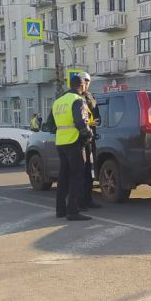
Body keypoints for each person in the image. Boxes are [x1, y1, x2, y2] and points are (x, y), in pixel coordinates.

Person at [52, 75, 92, 221]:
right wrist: (89, 134)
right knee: (76, 177)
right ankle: (73, 211)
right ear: (81, 86)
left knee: (63, 177)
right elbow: (80, 122)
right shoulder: (77, 100)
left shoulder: (58, 101)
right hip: (74, 142)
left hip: (60, 142)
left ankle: (60, 210)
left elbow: (51, 124)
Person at [78, 72, 102, 210]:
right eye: (84, 81)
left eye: (88, 81)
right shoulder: (76, 97)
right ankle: (79, 201)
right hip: (78, 139)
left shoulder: (90, 96)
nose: (86, 83)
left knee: (89, 171)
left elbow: (96, 115)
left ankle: (88, 199)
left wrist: (95, 123)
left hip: (90, 138)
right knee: (79, 172)